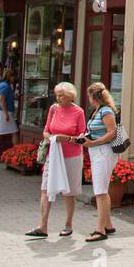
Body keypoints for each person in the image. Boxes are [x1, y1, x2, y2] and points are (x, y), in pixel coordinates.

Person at [25, 83, 86, 241]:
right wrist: (50, 137)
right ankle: (43, 226)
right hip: (53, 155)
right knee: (45, 189)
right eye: (57, 95)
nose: (58, 98)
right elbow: (46, 130)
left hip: (71, 155)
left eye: (61, 96)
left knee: (69, 192)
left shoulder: (78, 112)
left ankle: (68, 224)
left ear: (70, 96)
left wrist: (66, 138)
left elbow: (82, 136)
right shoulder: (53, 109)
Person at [78, 81, 119, 244]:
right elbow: (98, 131)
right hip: (96, 152)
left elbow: (111, 132)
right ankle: (108, 225)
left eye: (88, 95)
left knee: (100, 192)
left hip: (103, 152)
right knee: (101, 189)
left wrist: (93, 143)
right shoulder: (97, 111)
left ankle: (99, 230)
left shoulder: (106, 111)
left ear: (92, 96)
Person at [0, 68, 19, 160]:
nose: (14, 78)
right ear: (9, 76)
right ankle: (17, 152)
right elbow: (1, 99)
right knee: (14, 132)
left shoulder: (4, 85)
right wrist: (6, 113)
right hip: (3, 112)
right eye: (12, 76)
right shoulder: (6, 86)